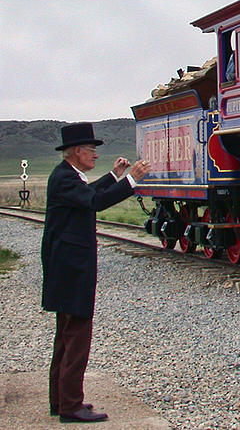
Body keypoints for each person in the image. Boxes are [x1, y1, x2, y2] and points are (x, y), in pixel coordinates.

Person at [41, 122, 150, 423]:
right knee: (76, 337)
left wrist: (114, 176)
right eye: (91, 151)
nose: (95, 156)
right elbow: (94, 201)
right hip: (71, 268)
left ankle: (60, 400)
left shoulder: (65, 177)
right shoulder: (65, 179)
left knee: (65, 336)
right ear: (76, 151)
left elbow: (86, 193)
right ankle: (71, 406)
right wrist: (130, 181)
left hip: (65, 267)